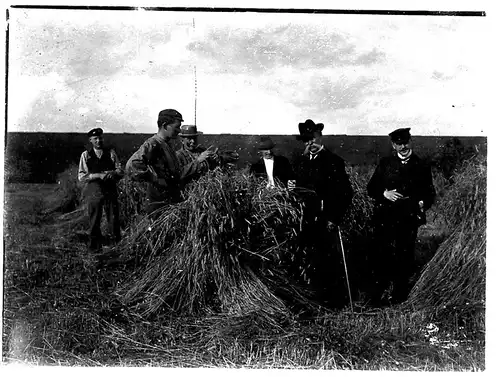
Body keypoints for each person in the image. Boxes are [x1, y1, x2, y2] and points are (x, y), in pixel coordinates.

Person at [367, 127, 436, 305]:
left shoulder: (421, 165)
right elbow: (371, 188)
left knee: (404, 255)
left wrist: (421, 203)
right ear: (393, 145)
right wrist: (384, 194)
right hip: (386, 217)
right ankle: (377, 295)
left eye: (405, 142)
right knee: (382, 253)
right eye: (399, 144)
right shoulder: (385, 163)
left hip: (408, 217)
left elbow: (430, 193)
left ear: (410, 141)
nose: (403, 147)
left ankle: (399, 295)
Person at [293, 119, 353, 308]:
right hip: (305, 219)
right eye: (306, 140)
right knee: (307, 260)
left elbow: (345, 194)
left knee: (327, 262)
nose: (310, 143)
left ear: (320, 136)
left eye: (313, 138)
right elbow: (299, 189)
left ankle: (332, 303)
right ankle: (309, 301)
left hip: (325, 219)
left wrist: (334, 218)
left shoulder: (333, 161)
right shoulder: (300, 161)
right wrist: (292, 187)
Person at [125, 109, 184, 215]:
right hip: (158, 203)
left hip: (168, 200)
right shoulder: (153, 143)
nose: (179, 130)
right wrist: (153, 177)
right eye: (177, 127)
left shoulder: (166, 144)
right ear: (165, 126)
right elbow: (131, 165)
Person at [78, 127, 124, 251]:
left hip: (110, 189)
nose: (98, 141)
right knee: (94, 218)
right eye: (95, 139)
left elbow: (120, 170)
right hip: (94, 189)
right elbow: (82, 176)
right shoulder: (86, 155)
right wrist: (97, 175)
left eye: (100, 138)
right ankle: (94, 246)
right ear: (90, 141)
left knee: (113, 218)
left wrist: (113, 173)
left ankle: (116, 246)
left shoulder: (110, 152)